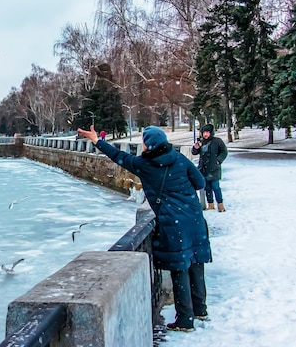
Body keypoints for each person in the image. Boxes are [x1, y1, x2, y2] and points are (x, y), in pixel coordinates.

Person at [77, 124, 211, 332]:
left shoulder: (144, 164)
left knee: (180, 267)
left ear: (148, 145)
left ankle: (185, 320)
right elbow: (200, 182)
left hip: (172, 222)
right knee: (196, 262)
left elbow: (118, 156)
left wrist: (97, 140)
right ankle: (200, 309)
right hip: (194, 218)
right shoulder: (179, 158)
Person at [192, 124, 228, 212]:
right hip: (204, 169)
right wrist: (195, 148)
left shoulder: (217, 141)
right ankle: (210, 204)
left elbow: (224, 151)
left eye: (207, 132)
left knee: (216, 187)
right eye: (204, 132)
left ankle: (220, 204)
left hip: (214, 168)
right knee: (207, 188)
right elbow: (194, 152)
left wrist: (218, 160)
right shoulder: (200, 142)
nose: (206, 134)